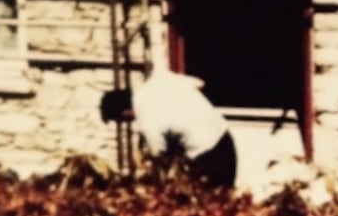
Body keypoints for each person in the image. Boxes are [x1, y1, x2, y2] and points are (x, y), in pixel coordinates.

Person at [100, 69, 237, 188]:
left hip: (207, 156)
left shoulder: (147, 118)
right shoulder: (161, 79)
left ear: (125, 113)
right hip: (225, 139)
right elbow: (199, 83)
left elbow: (160, 159)